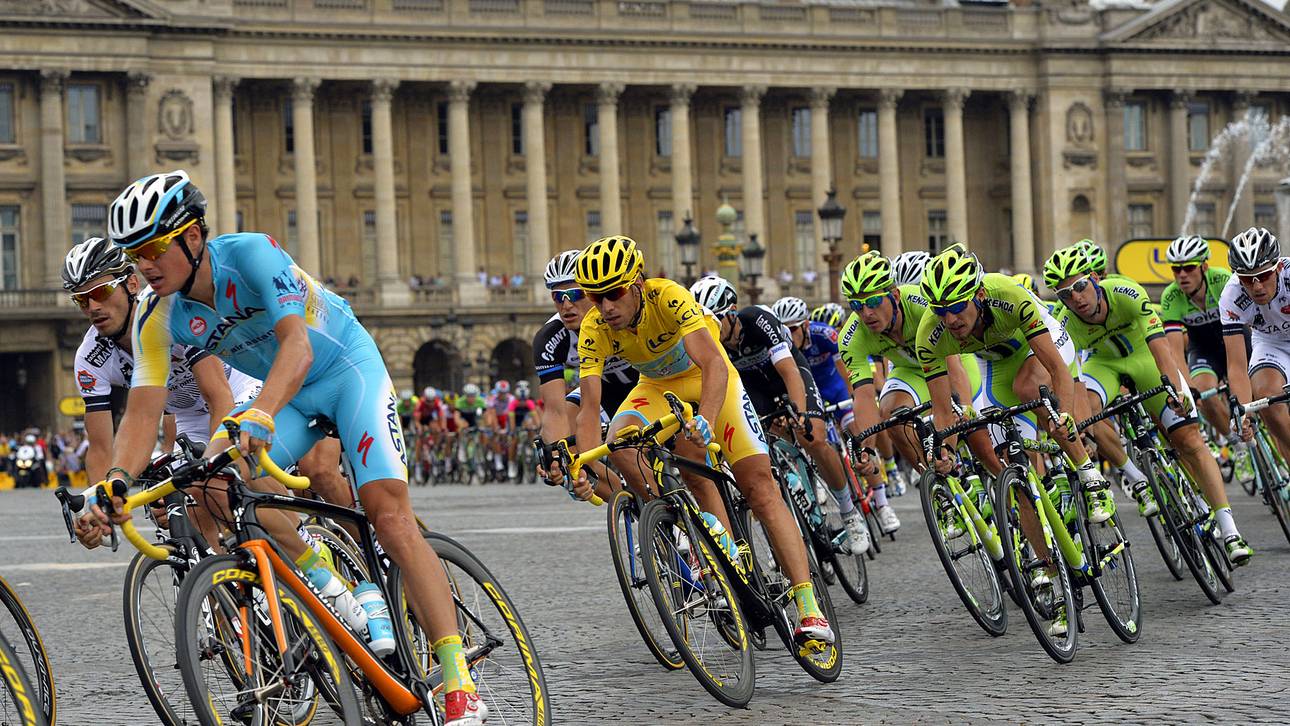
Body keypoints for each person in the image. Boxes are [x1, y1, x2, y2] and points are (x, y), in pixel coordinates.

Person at [83, 170, 487, 725]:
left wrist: (261, 414)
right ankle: (334, 586)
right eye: (135, 256)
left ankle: (458, 679)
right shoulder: (158, 314)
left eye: (154, 248)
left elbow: (296, 345)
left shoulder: (250, 255)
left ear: (192, 237)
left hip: (345, 371)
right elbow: (143, 412)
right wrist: (114, 484)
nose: (145, 266)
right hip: (289, 398)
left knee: (388, 515)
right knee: (219, 487)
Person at [573, 236, 833, 648]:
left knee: (759, 488)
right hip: (657, 386)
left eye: (614, 294)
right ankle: (685, 529)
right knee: (620, 442)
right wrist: (587, 466)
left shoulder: (669, 297)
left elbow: (712, 363)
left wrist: (706, 422)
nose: (605, 307)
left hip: (712, 380)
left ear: (637, 283)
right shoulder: (594, 327)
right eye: (595, 297)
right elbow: (588, 407)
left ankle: (808, 606)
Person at [917, 244, 1108, 637]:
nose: (949, 319)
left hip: (1037, 346)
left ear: (979, 296)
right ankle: (1052, 578)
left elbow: (1057, 368)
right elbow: (942, 410)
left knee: (1031, 388)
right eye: (940, 311)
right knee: (1014, 468)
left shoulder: (1008, 295)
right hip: (994, 365)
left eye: (957, 308)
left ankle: (1089, 477)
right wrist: (947, 451)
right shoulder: (930, 334)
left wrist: (1067, 416)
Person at [1044, 245, 1252, 564]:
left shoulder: (1126, 292)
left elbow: (1162, 349)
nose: (1075, 299)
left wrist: (1175, 390)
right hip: (1103, 365)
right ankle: (1136, 478)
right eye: (1065, 295)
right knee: (1085, 411)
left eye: (1080, 287)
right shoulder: (1063, 323)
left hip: (1144, 357)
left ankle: (1230, 531)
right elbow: (1072, 381)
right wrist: (1080, 429)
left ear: (1096, 278)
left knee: (1189, 440)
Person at [62, 237, 260, 483]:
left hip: (237, 389)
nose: (92, 307)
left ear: (132, 284)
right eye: (82, 299)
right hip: (189, 416)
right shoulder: (90, 359)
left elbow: (219, 397)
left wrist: (215, 467)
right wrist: (102, 504)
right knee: (189, 497)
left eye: (101, 292)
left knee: (238, 474)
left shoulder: (167, 311)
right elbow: (101, 450)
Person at [837, 252, 979, 502]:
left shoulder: (922, 306)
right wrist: (867, 448)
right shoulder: (852, 336)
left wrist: (965, 410)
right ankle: (939, 488)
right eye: (856, 306)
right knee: (892, 416)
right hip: (911, 370)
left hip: (951, 361)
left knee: (978, 436)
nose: (866, 313)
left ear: (894, 295)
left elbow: (952, 365)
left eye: (872, 302)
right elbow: (864, 396)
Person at [1159, 234, 1245, 453]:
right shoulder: (1170, 297)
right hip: (1204, 348)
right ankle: (1237, 444)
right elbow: (1176, 353)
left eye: (1189, 268)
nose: (1182, 275)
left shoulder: (1224, 280)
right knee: (1204, 392)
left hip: (1238, 341)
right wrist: (1188, 391)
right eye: (1176, 270)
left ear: (1204, 266)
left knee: (1258, 394)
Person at [1221, 227, 1290, 478]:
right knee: (1265, 396)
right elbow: (1237, 365)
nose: (1257, 286)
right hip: (1270, 342)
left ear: (1278, 268)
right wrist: (1242, 412)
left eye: (1263, 275)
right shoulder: (1231, 296)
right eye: (1248, 279)